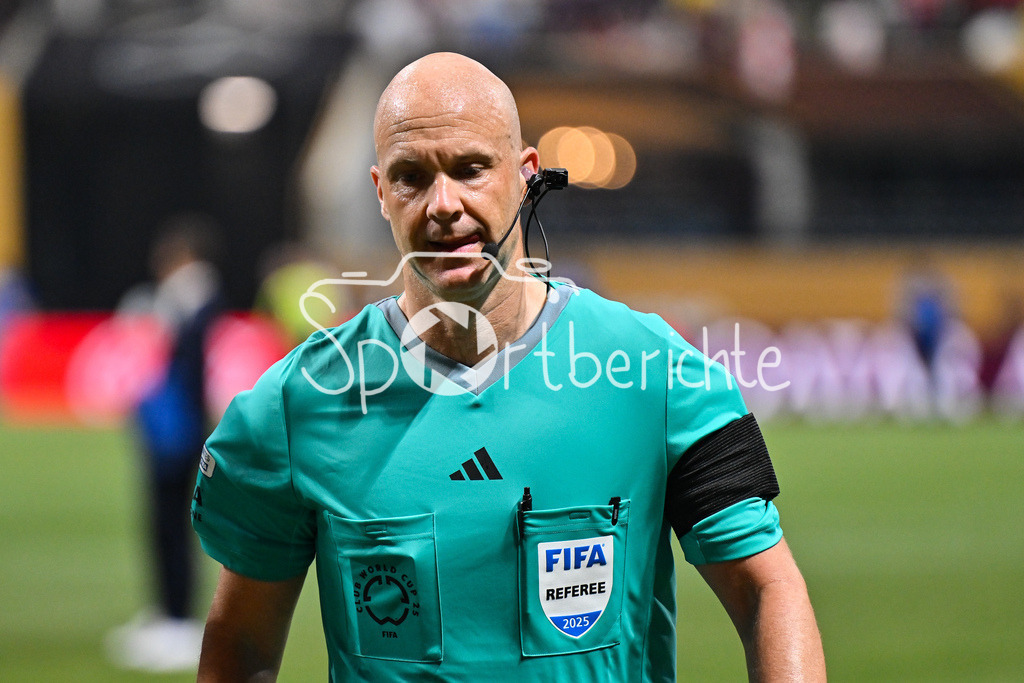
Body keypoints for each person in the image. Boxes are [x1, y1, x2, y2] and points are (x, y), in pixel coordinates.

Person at [191, 52, 826, 681]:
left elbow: (767, 590)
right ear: (382, 192)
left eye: (471, 169)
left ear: (525, 175)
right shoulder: (298, 405)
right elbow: (240, 644)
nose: (443, 204)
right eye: (413, 176)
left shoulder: (655, 375)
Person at [107, 215, 224, 672]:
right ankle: (167, 614)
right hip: (176, 430)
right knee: (162, 525)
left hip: (181, 433)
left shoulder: (194, 298)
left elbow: (189, 372)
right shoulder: (184, 301)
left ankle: (178, 622)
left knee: (173, 525)